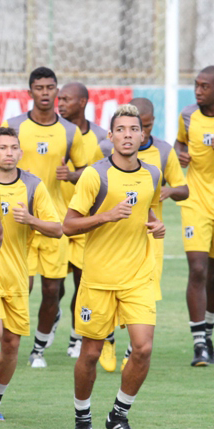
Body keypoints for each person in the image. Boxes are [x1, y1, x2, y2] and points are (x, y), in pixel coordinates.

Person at [64, 104, 164, 429]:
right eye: (120, 129)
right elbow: (68, 224)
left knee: (143, 348)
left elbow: (146, 210)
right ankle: (82, 416)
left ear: (142, 134)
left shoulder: (152, 174)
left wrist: (156, 224)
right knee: (90, 354)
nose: (127, 135)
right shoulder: (96, 175)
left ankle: (118, 414)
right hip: (98, 279)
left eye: (133, 129)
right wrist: (105, 217)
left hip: (137, 276)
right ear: (110, 136)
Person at [1, 67, 88, 368]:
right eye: (39, 87)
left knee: (52, 290)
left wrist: (72, 174)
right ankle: (9, 342)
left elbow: (88, 174)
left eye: (51, 87)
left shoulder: (69, 131)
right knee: (20, 288)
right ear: (30, 92)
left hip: (55, 223)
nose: (45, 92)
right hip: (18, 222)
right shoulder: (13, 126)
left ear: (56, 91)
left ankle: (37, 349)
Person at [0, 128, 62, 422]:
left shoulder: (32, 185)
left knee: (11, 344)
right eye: (2, 148)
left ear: (20, 153)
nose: (9, 153)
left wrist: (32, 220)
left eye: (14, 148)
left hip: (17, 277)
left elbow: (57, 228)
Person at [101, 98, 188, 370]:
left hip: (150, 238)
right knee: (110, 294)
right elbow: (97, 186)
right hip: (112, 239)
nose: (141, 133)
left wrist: (169, 191)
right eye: (125, 129)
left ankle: (133, 348)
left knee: (146, 294)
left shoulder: (162, 153)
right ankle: (108, 337)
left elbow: (183, 188)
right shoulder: (105, 151)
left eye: (145, 126)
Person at [57, 82, 107, 360]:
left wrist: (75, 176)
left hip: (83, 219)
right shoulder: (57, 133)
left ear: (83, 102)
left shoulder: (101, 137)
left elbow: (101, 175)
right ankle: (54, 316)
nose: (61, 104)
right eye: (59, 99)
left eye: (66, 99)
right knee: (54, 286)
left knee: (81, 282)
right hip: (55, 216)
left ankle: (76, 335)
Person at [175, 65, 214, 366]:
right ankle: (199, 344)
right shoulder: (188, 116)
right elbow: (179, 143)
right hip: (195, 201)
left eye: (205, 86)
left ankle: (208, 331)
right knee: (198, 269)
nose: (198, 91)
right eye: (196, 86)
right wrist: (179, 153)